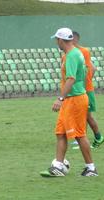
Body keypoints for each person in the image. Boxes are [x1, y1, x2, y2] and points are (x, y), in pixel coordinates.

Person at [40, 28, 98, 177]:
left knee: (79, 134)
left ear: (61, 40)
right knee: (60, 133)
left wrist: (60, 98)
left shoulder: (72, 55)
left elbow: (71, 79)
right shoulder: (72, 54)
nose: (56, 43)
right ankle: (58, 166)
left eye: (56, 40)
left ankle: (91, 168)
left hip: (75, 99)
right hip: (71, 99)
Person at [71, 31, 103, 149]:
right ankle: (84, 138)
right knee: (82, 115)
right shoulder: (74, 52)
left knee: (86, 116)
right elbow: (93, 68)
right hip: (82, 89)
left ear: (75, 39)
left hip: (84, 90)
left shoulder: (83, 51)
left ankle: (97, 137)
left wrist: (85, 84)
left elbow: (89, 69)